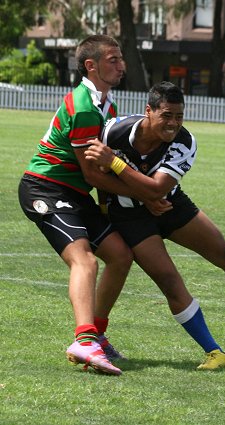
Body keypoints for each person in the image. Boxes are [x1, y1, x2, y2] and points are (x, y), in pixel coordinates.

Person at [85, 81, 225, 370]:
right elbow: (97, 177)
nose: (173, 123)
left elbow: (158, 189)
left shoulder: (184, 141)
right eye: (166, 115)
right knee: (170, 282)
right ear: (148, 111)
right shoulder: (114, 131)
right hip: (130, 218)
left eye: (179, 116)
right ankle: (215, 352)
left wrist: (115, 163)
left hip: (170, 206)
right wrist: (124, 198)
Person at [18, 34, 147, 376]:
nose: (122, 66)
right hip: (44, 189)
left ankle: (98, 335)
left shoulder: (109, 107)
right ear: (91, 65)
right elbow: (93, 174)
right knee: (85, 260)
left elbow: (98, 173)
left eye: (121, 59)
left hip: (75, 194)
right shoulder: (85, 107)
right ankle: (84, 340)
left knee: (121, 256)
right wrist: (147, 194)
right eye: (114, 60)